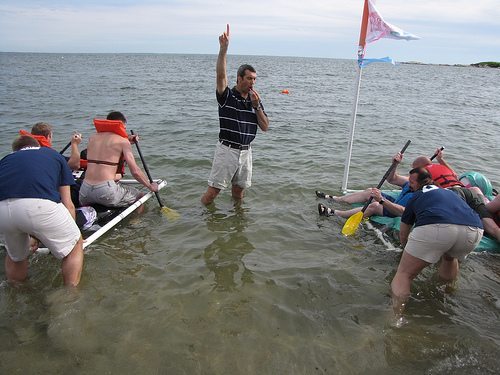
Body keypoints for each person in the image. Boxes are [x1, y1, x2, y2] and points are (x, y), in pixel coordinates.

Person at [391, 167, 483, 325]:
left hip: (437, 226)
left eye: (411, 182)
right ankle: (445, 295)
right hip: (474, 229)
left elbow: (404, 229)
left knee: (404, 274)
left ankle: (395, 318)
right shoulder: (449, 192)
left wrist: (404, 247)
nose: (410, 185)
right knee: (449, 257)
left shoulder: (416, 196)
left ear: (418, 184)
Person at [0, 135, 83, 286]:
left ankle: (16, 292)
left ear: (16, 151)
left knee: (16, 257)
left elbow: (17, 205)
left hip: (2, 211)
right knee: (75, 245)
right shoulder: (53, 155)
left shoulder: (5, 160)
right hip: (38, 207)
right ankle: (70, 296)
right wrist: (71, 234)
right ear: (37, 145)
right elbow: (67, 203)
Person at [201, 24, 269, 205]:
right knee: (213, 192)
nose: (252, 82)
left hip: (246, 152)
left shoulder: (255, 100)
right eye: (249, 78)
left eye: (254, 79)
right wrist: (223, 50)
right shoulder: (227, 96)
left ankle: (238, 223)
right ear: (239, 78)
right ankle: (200, 219)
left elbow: (265, 127)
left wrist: (257, 107)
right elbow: (220, 76)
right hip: (227, 150)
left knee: (239, 192)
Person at [317, 152, 432, 219]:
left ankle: (335, 213)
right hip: (396, 202)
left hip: (396, 211)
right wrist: (394, 165)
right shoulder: (414, 178)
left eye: (414, 168)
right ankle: (336, 199)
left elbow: (403, 211)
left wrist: (381, 200)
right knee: (370, 191)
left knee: (375, 205)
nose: (411, 171)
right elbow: (392, 179)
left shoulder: (425, 190)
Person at [78, 111, 158, 208]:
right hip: (105, 191)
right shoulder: (123, 142)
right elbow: (135, 172)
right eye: (124, 128)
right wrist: (150, 186)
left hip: (85, 190)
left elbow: (107, 146)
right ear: (120, 125)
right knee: (140, 196)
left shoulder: (92, 138)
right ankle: (136, 223)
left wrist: (127, 139)